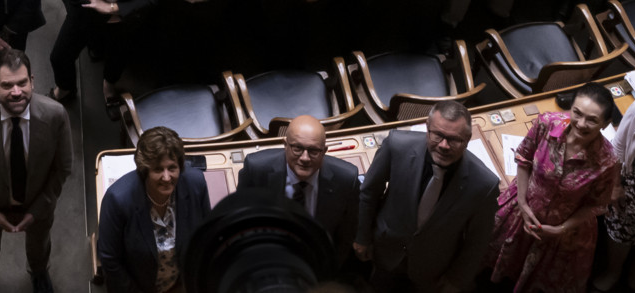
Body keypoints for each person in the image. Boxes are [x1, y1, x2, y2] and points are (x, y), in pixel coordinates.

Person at [0, 46, 72, 291]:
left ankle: (39, 271)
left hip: (38, 202)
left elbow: (63, 168)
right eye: (7, 85)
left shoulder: (56, 115)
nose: (16, 92)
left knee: (39, 244)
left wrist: (39, 209)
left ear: (32, 81)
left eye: (22, 83)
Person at [486, 83, 621, 293]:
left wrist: (560, 229)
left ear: (605, 124)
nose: (581, 123)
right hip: (522, 206)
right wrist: (522, 203)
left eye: (592, 120)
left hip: (564, 231)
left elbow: (597, 205)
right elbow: (523, 158)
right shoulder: (547, 123)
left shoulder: (608, 161)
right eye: (577, 113)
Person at [355, 101, 499, 293]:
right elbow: (369, 192)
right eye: (438, 135)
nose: (444, 146)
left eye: (454, 139)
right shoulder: (396, 145)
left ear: (467, 138)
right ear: (427, 127)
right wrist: (362, 237)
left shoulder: (484, 184)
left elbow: (478, 240)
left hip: (433, 269)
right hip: (385, 251)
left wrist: (457, 280)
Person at [97, 125, 212, 293]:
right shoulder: (117, 199)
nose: (167, 177)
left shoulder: (196, 183)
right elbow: (110, 259)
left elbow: (205, 235)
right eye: (158, 169)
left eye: (172, 168)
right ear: (145, 170)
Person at [238, 115, 362, 267]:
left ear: (324, 151)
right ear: (285, 145)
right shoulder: (256, 169)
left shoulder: (346, 179)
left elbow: (346, 235)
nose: (305, 158)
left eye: (313, 151)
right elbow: (243, 221)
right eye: (297, 148)